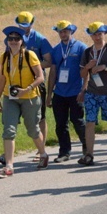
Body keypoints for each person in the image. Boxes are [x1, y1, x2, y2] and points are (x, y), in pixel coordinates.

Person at [0, 27, 48, 178]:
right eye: (10, 39)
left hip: (30, 97)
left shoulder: (30, 55)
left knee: (32, 129)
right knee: (9, 130)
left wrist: (27, 89)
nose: (13, 41)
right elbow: (2, 78)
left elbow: (40, 77)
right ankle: (9, 166)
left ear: (22, 41)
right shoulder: (4, 57)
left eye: (16, 39)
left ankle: (43, 154)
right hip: (10, 97)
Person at [78, 22, 107, 165]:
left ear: (104, 34)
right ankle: (89, 154)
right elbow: (82, 74)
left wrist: (105, 67)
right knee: (89, 122)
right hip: (92, 92)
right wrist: (88, 67)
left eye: (99, 34)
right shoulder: (87, 52)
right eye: (94, 34)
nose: (97, 37)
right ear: (90, 36)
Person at [46, 20, 87, 163]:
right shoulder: (56, 50)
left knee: (78, 121)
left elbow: (86, 70)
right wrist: (49, 94)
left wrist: (84, 89)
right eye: (60, 31)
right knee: (61, 124)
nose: (63, 33)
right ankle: (64, 152)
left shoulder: (81, 47)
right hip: (60, 93)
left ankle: (87, 149)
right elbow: (53, 72)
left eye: (65, 31)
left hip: (76, 91)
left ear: (71, 31)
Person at [14, 11, 53, 161]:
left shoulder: (40, 39)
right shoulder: (13, 38)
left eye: (26, 25)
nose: (24, 28)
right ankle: (9, 151)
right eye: (21, 25)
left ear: (32, 23)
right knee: (13, 119)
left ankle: (40, 150)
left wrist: (31, 66)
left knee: (40, 117)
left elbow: (49, 61)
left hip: (36, 83)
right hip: (17, 83)